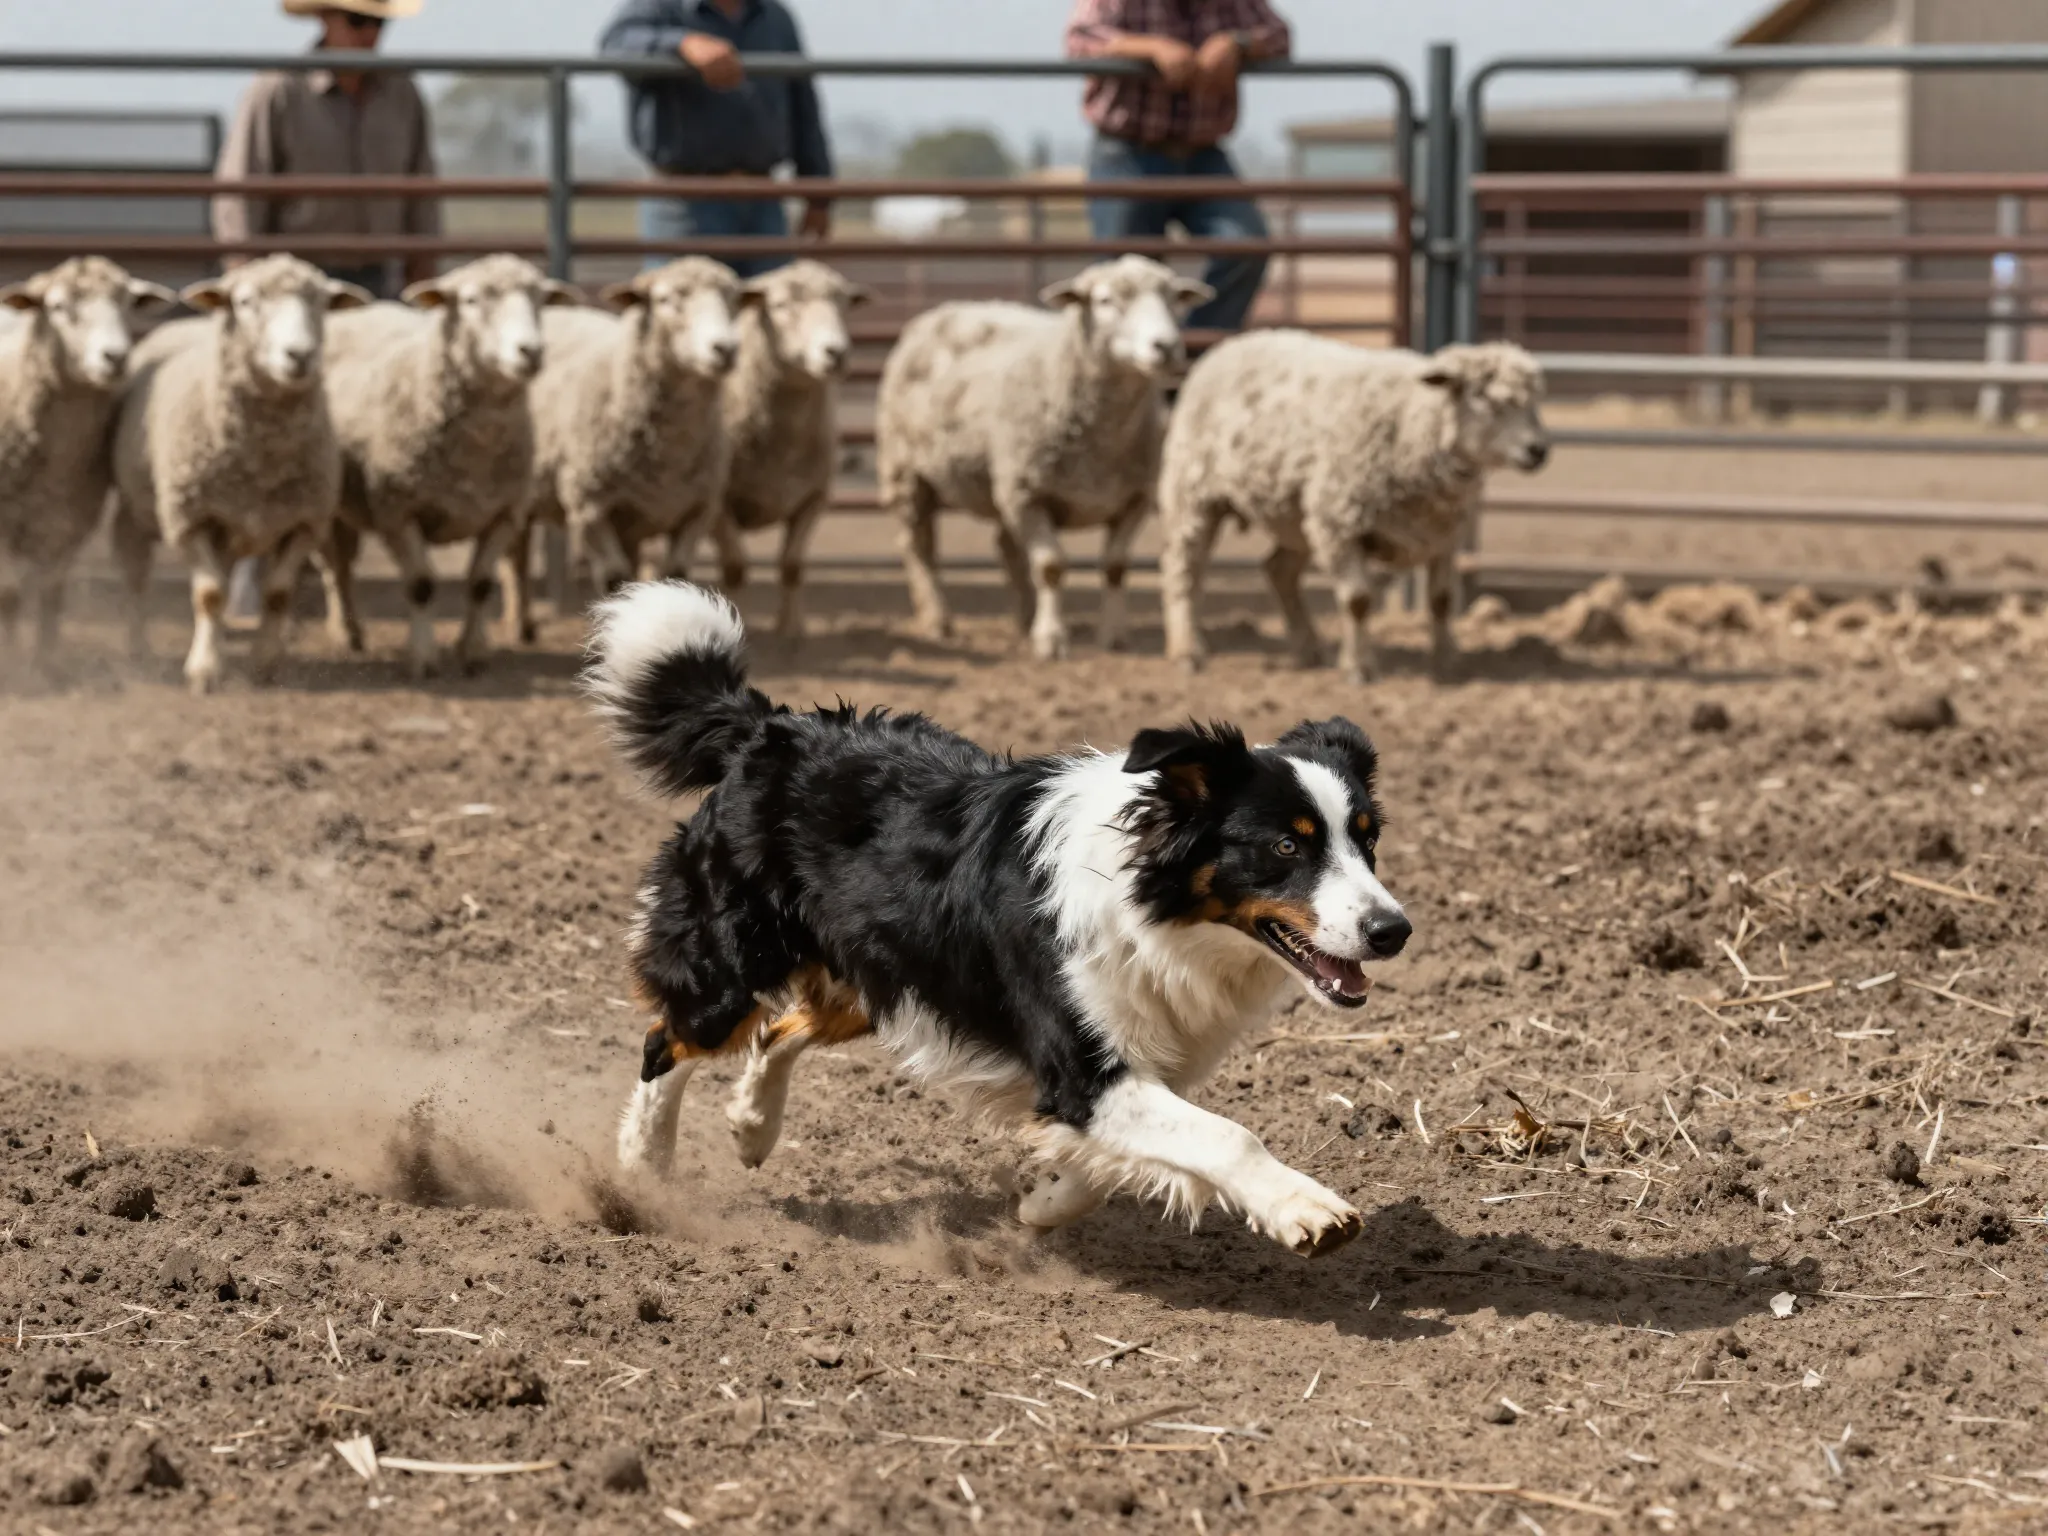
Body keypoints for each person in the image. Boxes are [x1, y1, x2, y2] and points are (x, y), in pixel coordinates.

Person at [1065, 0, 1291, 333]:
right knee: (1125, 275)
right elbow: (1081, 40)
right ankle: (1128, 370)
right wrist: (1149, 48)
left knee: (1245, 245)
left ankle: (1191, 354)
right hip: (1128, 150)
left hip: (1202, 151)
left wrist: (1236, 43)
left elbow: (1278, 35)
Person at [214, 0, 441, 302]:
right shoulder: (279, 88)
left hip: (382, 277)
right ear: (325, 19)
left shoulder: (402, 92)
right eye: (357, 21)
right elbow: (242, 191)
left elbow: (421, 190)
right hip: (295, 283)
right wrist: (244, 277)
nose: (370, 34)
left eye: (379, 23)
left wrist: (423, 273)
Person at [600, 0, 833, 279]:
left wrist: (818, 194)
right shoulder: (660, 7)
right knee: (685, 305)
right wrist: (682, 44)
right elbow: (616, 44)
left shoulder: (775, 17)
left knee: (769, 309)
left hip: (762, 197)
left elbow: (802, 103)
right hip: (685, 198)